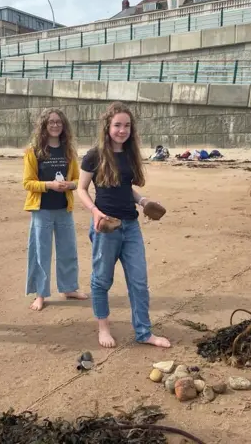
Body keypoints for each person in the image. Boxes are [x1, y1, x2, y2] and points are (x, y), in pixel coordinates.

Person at [77, 101, 171, 349]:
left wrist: (143, 200)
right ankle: (103, 328)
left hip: (131, 226)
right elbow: (81, 188)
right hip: (106, 227)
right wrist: (95, 212)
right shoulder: (94, 155)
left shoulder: (130, 154)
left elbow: (125, 187)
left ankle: (144, 332)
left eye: (127, 125)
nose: (122, 130)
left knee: (139, 281)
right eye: (117, 125)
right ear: (108, 126)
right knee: (101, 280)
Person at [22, 107, 88, 311]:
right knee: (41, 253)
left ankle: (69, 288)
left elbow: (78, 180)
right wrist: (49, 185)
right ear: (44, 125)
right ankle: (40, 293)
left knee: (68, 250)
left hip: (64, 208)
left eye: (59, 122)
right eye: (51, 122)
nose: (55, 125)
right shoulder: (33, 152)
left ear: (64, 125)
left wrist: (70, 185)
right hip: (41, 209)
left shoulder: (68, 151)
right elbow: (27, 182)